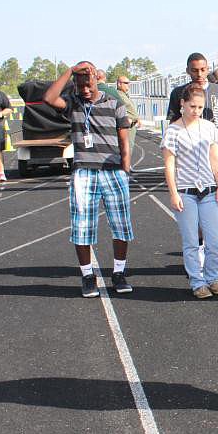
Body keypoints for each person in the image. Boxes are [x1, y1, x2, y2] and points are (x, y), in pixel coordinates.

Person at [43, 62, 134, 298]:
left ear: (97, 79)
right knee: (82, 227)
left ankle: (119, 273)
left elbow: (124, 140)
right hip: (84, 171)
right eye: (80, 84)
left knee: (121, 225)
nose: (84, 89)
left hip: (113, 170)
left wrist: (125, 169)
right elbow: (49, 97)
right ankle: (87, 275)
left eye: (88, 83)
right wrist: (71, 70)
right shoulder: (73, 103)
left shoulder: (115, 103)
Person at [168, 54, 218, 276]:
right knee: (193, 214)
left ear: (207, 68)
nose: (199, 74)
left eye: (202, 69)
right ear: (188, 70)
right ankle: (198, 258)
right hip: (190, 162)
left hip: (214, 159)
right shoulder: (178, 93)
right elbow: (172, 124)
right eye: (194, 70)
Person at [162, 84, 218, 299]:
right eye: (192, 106)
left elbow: (215, 158)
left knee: (214, 239)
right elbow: (169, 164)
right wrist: (173, 193)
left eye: (200, 107)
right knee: (191, 241)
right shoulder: (173, 131)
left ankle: (212, 278)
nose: (196, 111)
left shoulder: (209, 128)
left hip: (209, 191)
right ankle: (197, 282)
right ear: (182, 104)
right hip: (186, 191)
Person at [113, 76, 141, 158]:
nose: (128, 85)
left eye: (129, 83)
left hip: (132, 125)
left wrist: (137, 119)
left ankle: (127, 166)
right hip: (126, 126)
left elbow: (130, 109)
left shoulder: (125, 95)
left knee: (129, 147)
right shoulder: (118, 95)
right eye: (126, 83)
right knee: (126, 148)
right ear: (119, 84)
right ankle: (125, 167)